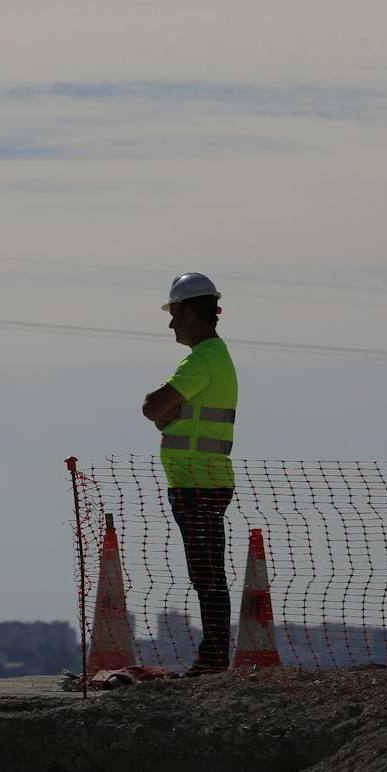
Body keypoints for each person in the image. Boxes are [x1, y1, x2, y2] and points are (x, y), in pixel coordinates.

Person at [140, 273, 238, 675]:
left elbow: (152, 407)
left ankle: (213, 659)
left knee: (207, 575)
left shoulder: (203, 360)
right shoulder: (210, 358)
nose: (171, 325)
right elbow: (163, 414)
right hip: (200, 482)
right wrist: (166, 417)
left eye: (174, 314)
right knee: (206, 573)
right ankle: (212, 657)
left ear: (187, 311)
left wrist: (161, 413)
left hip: (199, 483)